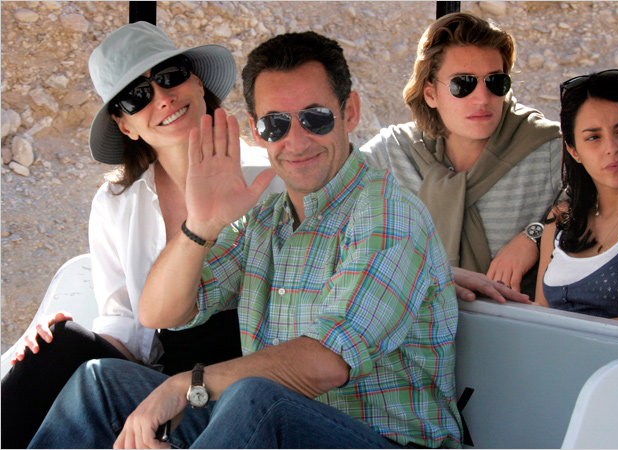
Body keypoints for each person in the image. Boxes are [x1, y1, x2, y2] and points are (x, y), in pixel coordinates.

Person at [29, 31, 462, 449]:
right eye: (276, 124)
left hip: (381, 438)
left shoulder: (385, 211)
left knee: (254, 400)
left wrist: (188, 385)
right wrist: (200, 225)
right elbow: (160, 312)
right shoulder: (266, 220)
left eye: (315, 117)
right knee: (101, 381)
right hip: (272, 428)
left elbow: (326, 363)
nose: (295, 139)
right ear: (257, 132)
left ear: (349, 112)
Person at [2, 21, 283, 449]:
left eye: (170, 76)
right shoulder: (117, 203)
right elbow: (129, 334)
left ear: (197, 83)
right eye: (137, 96)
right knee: (57, 347)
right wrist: (61, 344)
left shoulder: (269, 178)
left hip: (246, 377)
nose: (163, 98)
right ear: (126, 125)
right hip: (156, 372)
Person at [360, 13, 561, 302]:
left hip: (515, 332)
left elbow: (603, 203)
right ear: (430, 93)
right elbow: (331, 209)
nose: (482, 97)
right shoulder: (392, 154)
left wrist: (535, 236)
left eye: (496, 82)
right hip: (411, 332)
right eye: (462, 84)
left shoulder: (547, 150)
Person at [535, 69, 618, 324]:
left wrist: (579, 335)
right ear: (574, 150)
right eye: (594, 137)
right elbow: (541, 309)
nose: (611, 148)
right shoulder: (562, 218)